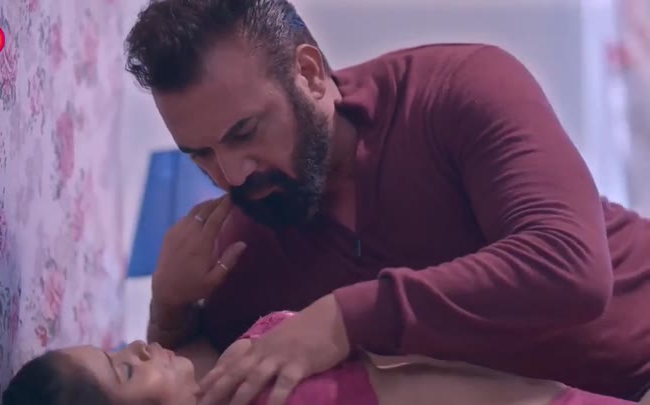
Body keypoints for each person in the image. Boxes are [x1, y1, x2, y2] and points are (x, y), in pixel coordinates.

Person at [123, 0, 650, 404]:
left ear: (309, 75)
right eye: (201, 155)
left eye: (245, 132)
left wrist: (343, 319)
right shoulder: (250, 242)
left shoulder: (458, 88)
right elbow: (208, 388)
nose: (232, 175)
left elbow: (571, 270)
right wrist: (169, 311)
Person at [2, 311, 635, 405]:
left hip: (545, 386)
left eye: (116, 348)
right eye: (124, 369)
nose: (137, 347)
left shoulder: (232, 363)